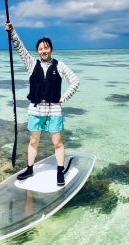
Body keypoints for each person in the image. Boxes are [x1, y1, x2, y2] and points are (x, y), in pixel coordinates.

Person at [5, 22, 79, 186]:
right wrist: (12, 32)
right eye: (40, 49)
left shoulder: (59, 66)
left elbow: (75, 81)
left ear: (51, 49)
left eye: (46, 48)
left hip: (54, 109)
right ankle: (30, 169)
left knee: (57, 143)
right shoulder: (32, 64)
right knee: (33, 141)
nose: (43, 51)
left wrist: (64, 98)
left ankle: (60, 171)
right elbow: (20, 48)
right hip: (35, 109)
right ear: (37, 51)